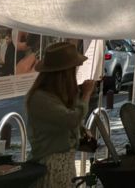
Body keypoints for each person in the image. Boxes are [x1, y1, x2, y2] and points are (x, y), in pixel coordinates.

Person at [25, 42, 95, 188]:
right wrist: (86, 94)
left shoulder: (56, 95)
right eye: (73, 70)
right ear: (64, 73)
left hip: (64, 166)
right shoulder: (40, 98)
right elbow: (72, 119)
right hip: (50, 167)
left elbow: (70, 124)